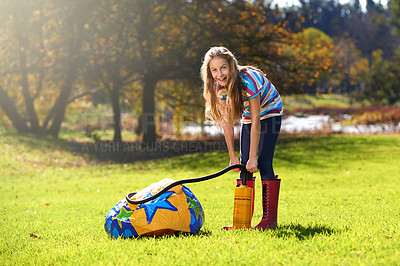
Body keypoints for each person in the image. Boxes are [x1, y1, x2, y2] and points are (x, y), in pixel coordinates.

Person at [200, 46, 283, 230]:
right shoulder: (219, 87)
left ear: (231, 65)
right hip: (249, 116)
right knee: (243, 165)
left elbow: (256, 122)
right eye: (214, 70)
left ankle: (269, 221)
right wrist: (232, 157)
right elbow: (227, 124)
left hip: (270, 111)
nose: (219, 74)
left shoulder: (248, 80)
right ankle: (242, 222)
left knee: (263, 163)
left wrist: (254, 157)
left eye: (223, 68)